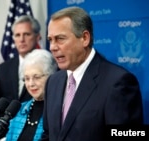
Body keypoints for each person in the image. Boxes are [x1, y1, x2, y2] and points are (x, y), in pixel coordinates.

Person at [42, 6, 144, 141]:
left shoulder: (118, 83)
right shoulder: (53, 82)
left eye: (60, 38)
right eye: (50, 40)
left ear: (85, 38)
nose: (53, 47)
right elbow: (48, 135)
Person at [0, 15, 41, 116]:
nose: (22, 39)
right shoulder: (3, 69)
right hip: (8, 130)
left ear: (37, 37)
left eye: (26, 34)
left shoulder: (49, 67)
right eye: (17, 35)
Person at [5, 49, 57, 141]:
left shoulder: (59, 111)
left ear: (51, 76)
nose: (31, 84)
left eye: (36, 77)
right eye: (27, 78)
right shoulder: (19, 109)